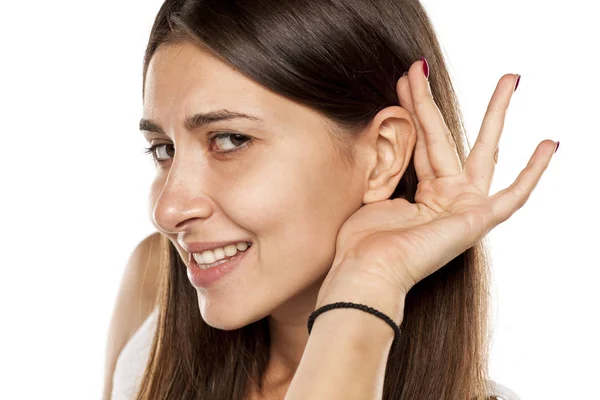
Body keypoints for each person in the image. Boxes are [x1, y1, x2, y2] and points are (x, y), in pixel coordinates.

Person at [103, 0, 558, 398]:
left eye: (230, 139)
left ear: (382, 157)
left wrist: (370, 283)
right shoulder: (150, 309)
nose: (168, 210)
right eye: (164, 149)